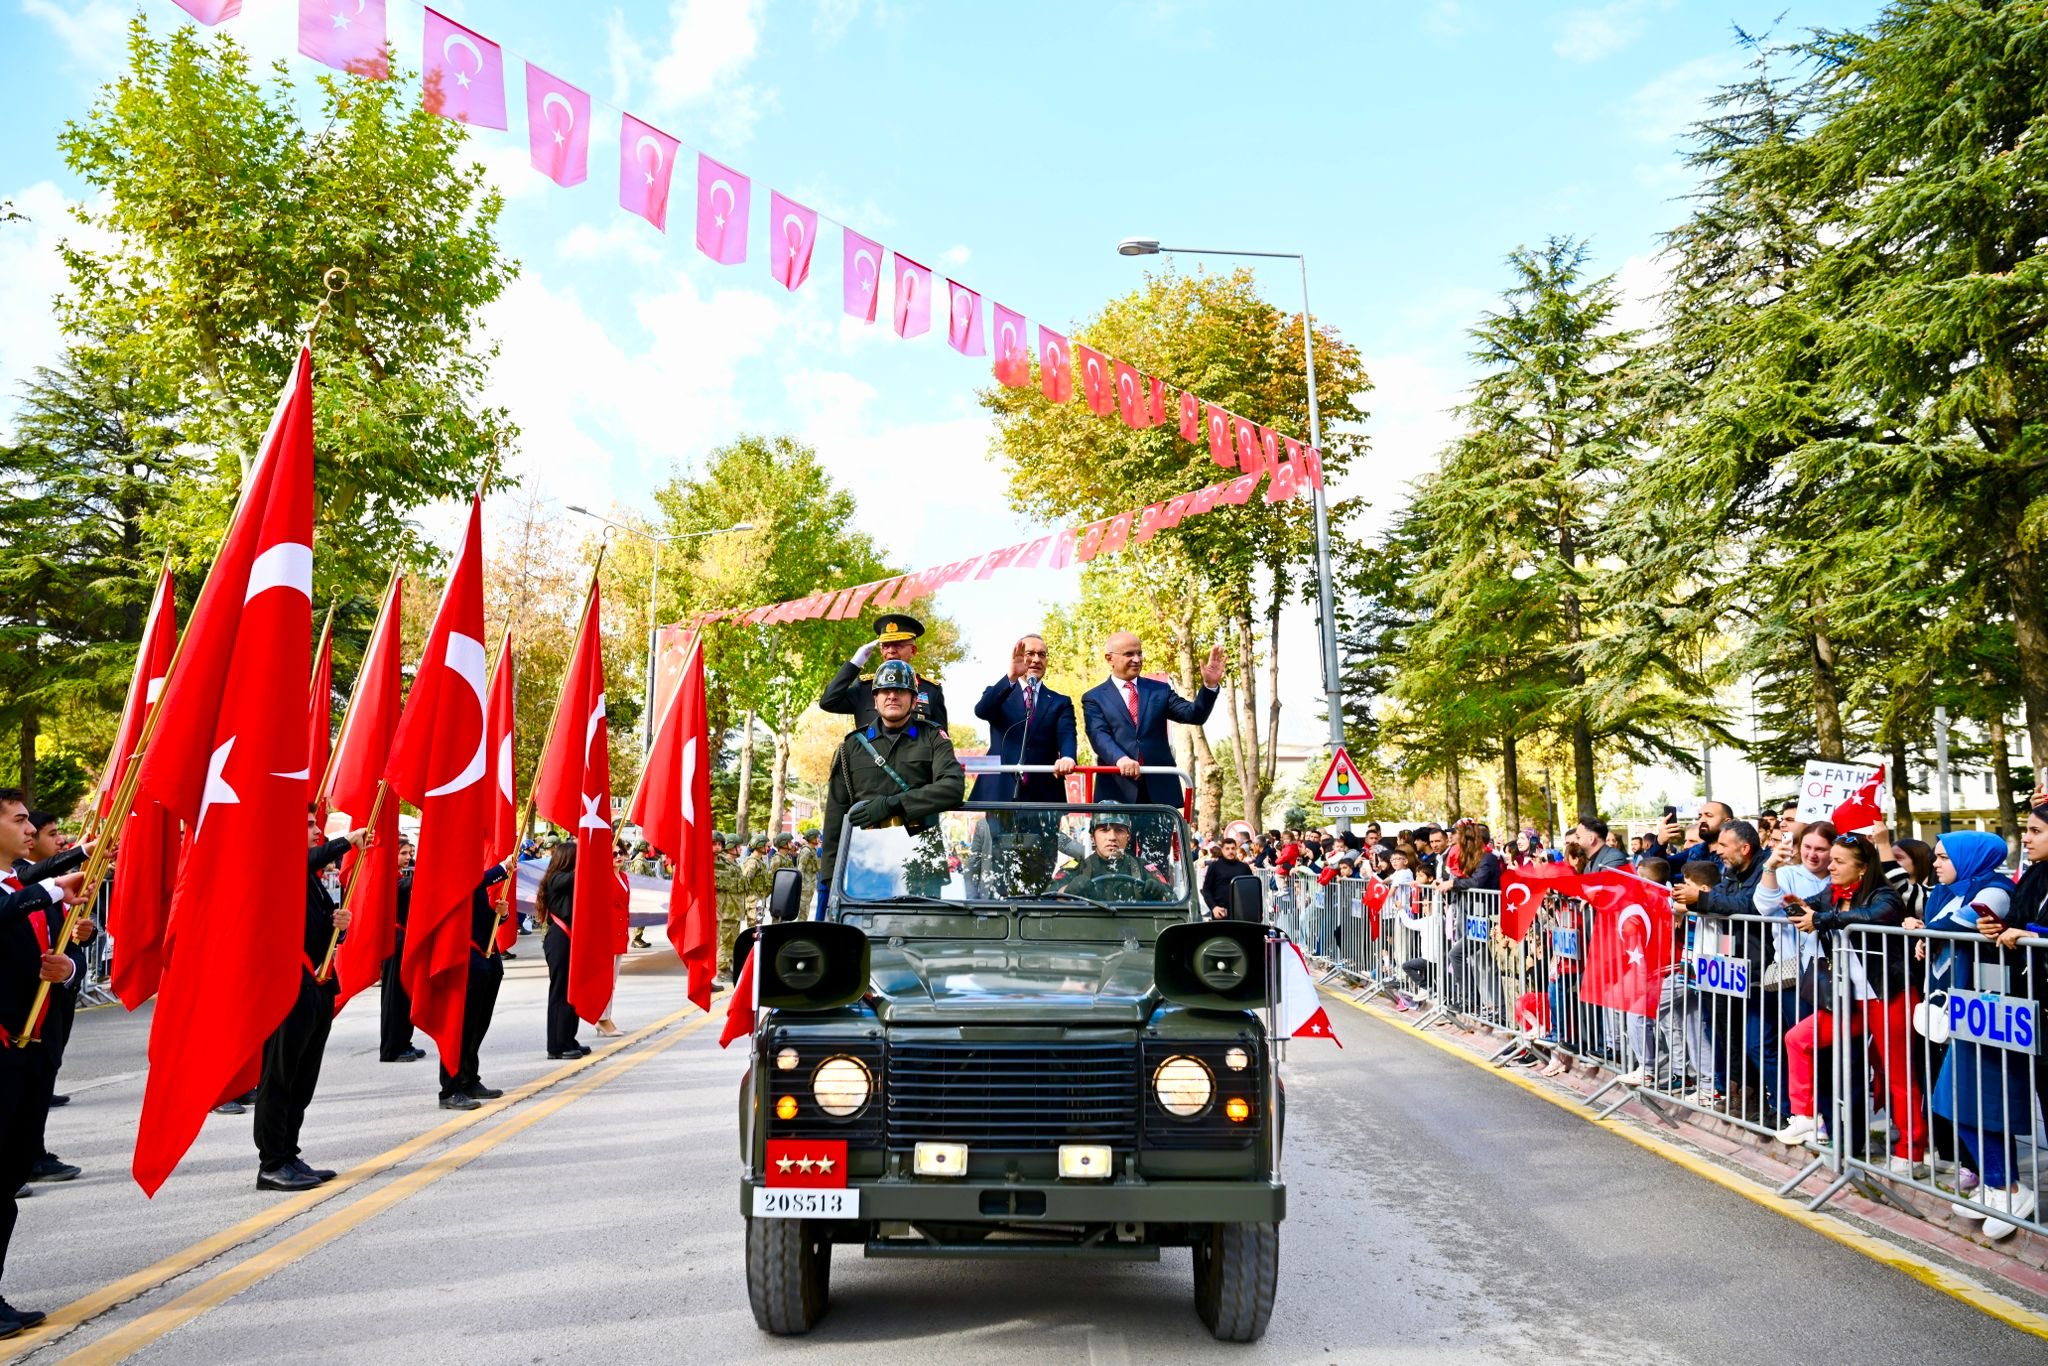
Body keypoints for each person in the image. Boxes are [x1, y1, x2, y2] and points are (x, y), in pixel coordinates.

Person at [1776, 833, 1923, 1178]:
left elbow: (1871, 916)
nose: (1830, 865)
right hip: (1847, 999)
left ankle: (1911, 1150)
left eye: (1839, 861)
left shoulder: (1884, 893)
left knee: (1898, 1074)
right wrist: (1796, 906)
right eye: (1833, 859)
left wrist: (1820, 919)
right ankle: (1806, 1117)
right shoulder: (1832, 893)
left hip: (1889, 995)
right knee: (1798, 1038)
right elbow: (1810, 908)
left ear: (1862, 868)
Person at [0, 789, 85, 1338]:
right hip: (3, 1046)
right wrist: (59, 878)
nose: (30, 828)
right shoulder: (18, 891)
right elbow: (7, 910)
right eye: (19, 819)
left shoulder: (22, 887)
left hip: (32, 1047)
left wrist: (67, 968)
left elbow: (55, 956)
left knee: (7, 1180)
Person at [1922, 829, 2033, 1235]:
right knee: (1960, 1101)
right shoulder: (1947, 890)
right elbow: (1936, 925)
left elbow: (1953, 924)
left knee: (1969, 1099)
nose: (1936, 865)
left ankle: (2008, 1186)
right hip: (1967, 1011)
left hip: (1994, 1009)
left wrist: (1924, 929)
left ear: (1970, 857)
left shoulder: (1996, 888)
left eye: (1943, 857)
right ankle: (1995, 1182)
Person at [254, 810, 366, 1193]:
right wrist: (346, 841)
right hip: (289, 987)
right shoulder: (278, 864)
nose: (318, 830)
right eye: (309, 825)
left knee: (303, 1079)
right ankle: (271, 1162)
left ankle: (289, 1153)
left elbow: (316, 930)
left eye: (317, 825)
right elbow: (299, 862)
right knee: (280, 1078)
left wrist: (339, 927)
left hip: (317, 983)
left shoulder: (311, 879)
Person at [820, 659, 967, 892]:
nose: (892, 696)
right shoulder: (852, 746)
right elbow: (836, 813)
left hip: (921, 860)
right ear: (875, 700)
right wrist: (829, 878)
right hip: (866, 863)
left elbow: (952, 787)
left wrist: (892, 805)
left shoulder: (933, 738)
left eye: (900, 690)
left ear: (913, 699)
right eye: (885, 691)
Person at [14, 812, 89, 1184]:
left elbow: (59, 940)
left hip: (51, 1002)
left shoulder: (34, 883)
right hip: (15, 1016)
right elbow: (28, 886)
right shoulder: (26, 880)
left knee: (43, 1076)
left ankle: (31, 1154)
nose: (29, 832)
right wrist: (85, 852)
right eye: (19, 822)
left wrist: (74, 959)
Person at [1080, 631, 1223, 808]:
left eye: (1139, 653)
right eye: (1129, 654)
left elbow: (1194, 715)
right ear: (1109, 659)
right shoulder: (1094, 697)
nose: (1137, 659)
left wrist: (1210, 686)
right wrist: (1121, 759)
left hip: (1160, 791)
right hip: (1117, 790)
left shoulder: (1159, 690)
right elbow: (1098, 735)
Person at [439, 858, 518, 1111]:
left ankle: (469, 1078)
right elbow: (464, 887)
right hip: (464, 957)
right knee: (459, 1027)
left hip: (485, 956)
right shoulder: (452, 871)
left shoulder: (473, 877)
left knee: (477, 1025)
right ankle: (450, 1089)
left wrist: (500, 916)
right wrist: (501, 870)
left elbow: (479, 914)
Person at [970, 634, 1078, 802]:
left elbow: (1067, 735)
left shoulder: (1060, 702)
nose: (1036, 659)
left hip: (1043, 792)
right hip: (999, 789)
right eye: (1030, 654)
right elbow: (982, 711)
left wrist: (1067, 757)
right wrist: (1011, 676)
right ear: (1017, 656)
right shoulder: (999, 692)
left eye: (1042, 655)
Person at [820, 612, 949, 731]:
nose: (891, 651)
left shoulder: (930, 690)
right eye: (885, 646)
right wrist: (855, 664)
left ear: (913, 650)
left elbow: (941, 740)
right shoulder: (865, 687)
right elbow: (828, 702)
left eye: (898, 645)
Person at [538, 843, 590, 1061]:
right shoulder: (557, 878)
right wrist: (590, 859)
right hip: (559, 939)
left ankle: (569, 1038)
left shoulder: (566, 879)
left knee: (572, 992)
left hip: (568, 939)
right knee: (560, 993)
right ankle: (556, 1045)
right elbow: (576, 878)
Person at [1052, 808, 1170, 903]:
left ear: (1128, 837)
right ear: (1093, 837)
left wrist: (1159, 896)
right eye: (1104, 830)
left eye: (1119, 830)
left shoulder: (1143, 868)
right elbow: (1046, 899)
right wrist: (1067, 891)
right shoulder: (1077, 867)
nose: (1112, 837)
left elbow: (1174, 902)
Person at [380, 838, 426, 1064]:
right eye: (403, 853)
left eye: (409, 853)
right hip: (394, 943)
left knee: (405, 995)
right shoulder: (388, 878)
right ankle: (391, 1048)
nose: (408, 857)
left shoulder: (400, 876)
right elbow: (408, 887)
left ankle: (404, 1041)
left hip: (403, 941)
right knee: (394, 999)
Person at [712, 834, 746, 980]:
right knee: (725, 942)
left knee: (732, 941)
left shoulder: (732, 863)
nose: (740, 849)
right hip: (726, 909)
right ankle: (721, 970)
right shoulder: (722, 862)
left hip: (734, 908)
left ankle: (727, 967)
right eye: (738, 846)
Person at [1201, 835, 1256, 920]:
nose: (1230, 851)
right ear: (1222, 850)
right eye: (1227, 848)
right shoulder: (1214, 867)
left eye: (1233, 848)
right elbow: (1206, 890)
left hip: (1242, 913)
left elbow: (1252, 890)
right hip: (1221, 913)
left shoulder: (1244, 867)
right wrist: (1214, 907)